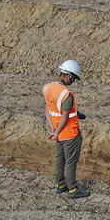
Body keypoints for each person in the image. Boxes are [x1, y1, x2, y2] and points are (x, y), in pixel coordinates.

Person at [43, 60, 89, 200]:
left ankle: (61, 186)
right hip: (69, 134)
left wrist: (53, 129)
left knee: (59, 160)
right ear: (68, 75)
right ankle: (73, 190)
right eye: (73, 78)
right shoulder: (66, 94)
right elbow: (64, 117)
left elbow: (48, 110)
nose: (73, 81)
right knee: (70, 162)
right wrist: (57, 131)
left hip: (58, 132)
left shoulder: (48, 87)